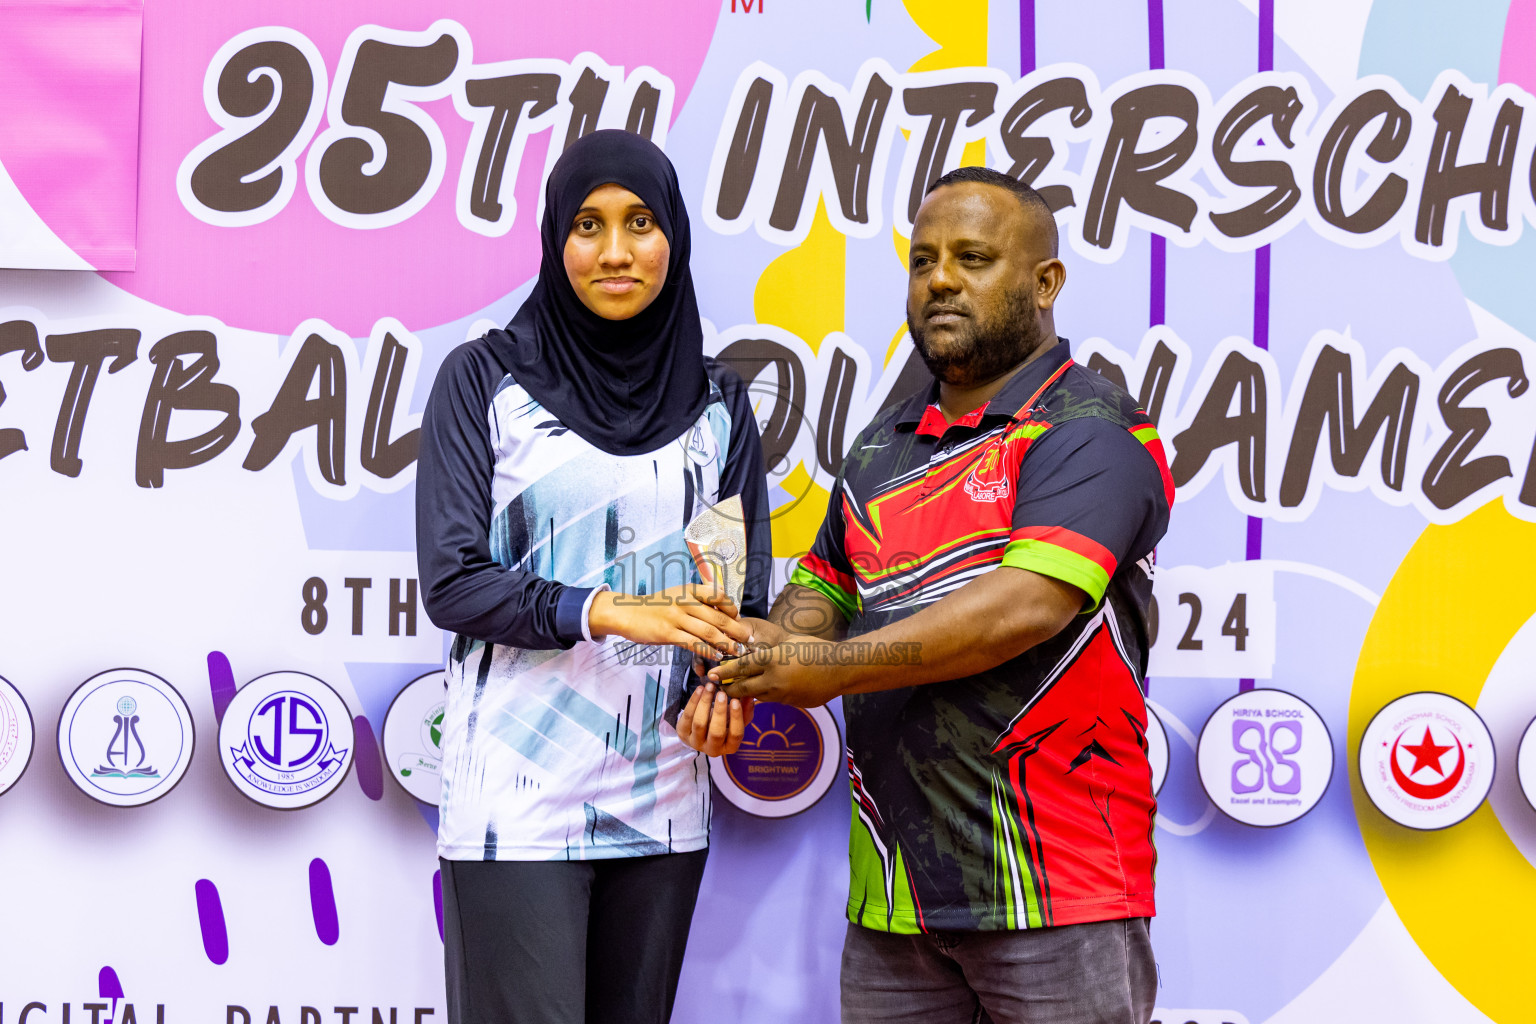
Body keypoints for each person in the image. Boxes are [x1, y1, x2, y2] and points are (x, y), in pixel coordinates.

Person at [711, 166, 1174, 1024]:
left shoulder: (1093, 431)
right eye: (923, 261)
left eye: (973, 257)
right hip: (895, 903)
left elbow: (1022, 607)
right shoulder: (882, 446)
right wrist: (750, 662)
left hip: (1057, 894)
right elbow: (821, 591)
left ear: (1045, 284)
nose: (941, 281)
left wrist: (830, 670)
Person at [415, 129, 770, 1024]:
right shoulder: (484, 380)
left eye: (640, 222)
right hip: (516, 802)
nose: (615, 251)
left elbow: (733, 597)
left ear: (674, 239)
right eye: (588, 225)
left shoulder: (719, 406)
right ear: (555, 240)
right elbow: (454, 581)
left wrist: (720, 689)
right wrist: (612, 611)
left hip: (663, 794)